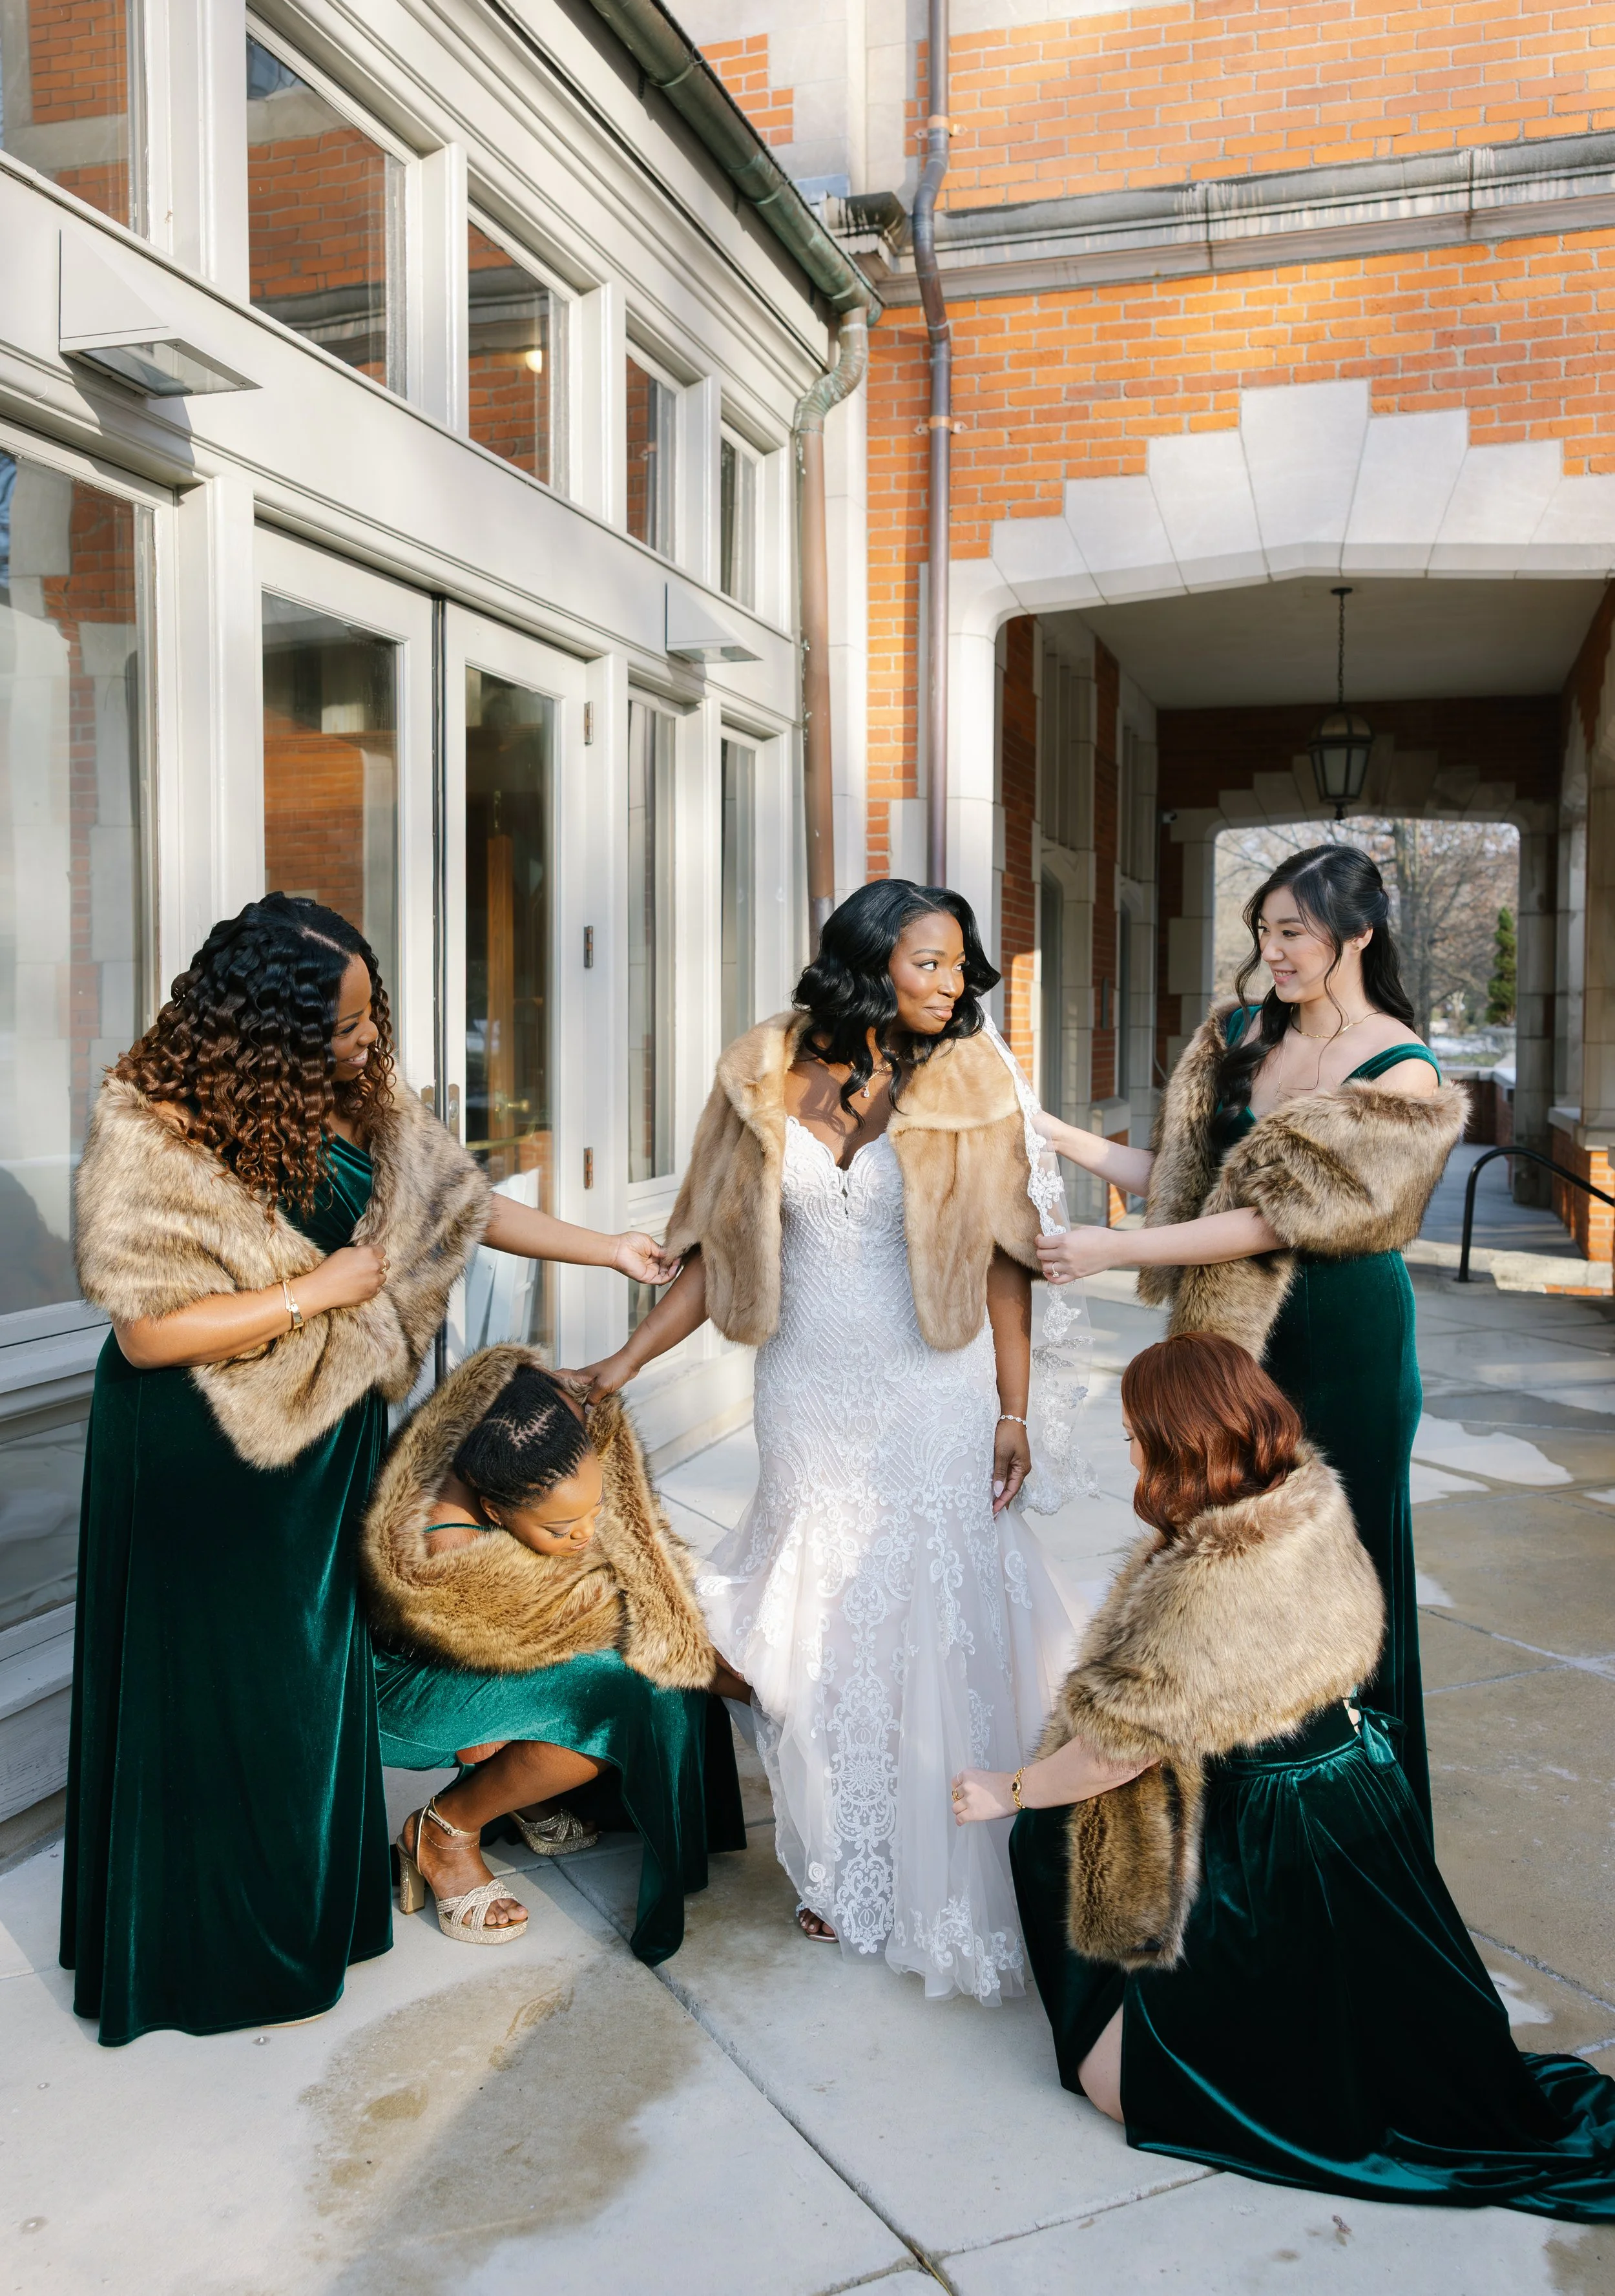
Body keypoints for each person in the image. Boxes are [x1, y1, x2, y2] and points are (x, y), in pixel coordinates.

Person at [63, 893, 673, 2045]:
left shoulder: (356, 1094)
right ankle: (207, 1946)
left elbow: (465, 1203)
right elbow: (148, 1333)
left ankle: (311, 1909)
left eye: (365, 1018)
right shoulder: (156, 1127)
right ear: (262, 1029)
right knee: (226, 1696)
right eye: (339, 1027)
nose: (362, 1043)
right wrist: (320, 1291)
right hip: (202, 1448)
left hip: (320, 1438)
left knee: (306, 1684)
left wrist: (610, 1247)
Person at [952, 1334, 1615, 2219]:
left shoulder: (1205, 1584)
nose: (1130, 1452)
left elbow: (1125, 1747)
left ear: (1182, 1445)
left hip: (1277, 1832)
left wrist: (1010, 1789)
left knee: (1117, 2078)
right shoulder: (1304, 1500)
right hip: (1357, 1793)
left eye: (1133, 1436)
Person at [579, 880, 1078, 2003]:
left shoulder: (971, 1078)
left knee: (927, 1619)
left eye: (959, 967)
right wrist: (621, 1363)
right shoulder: (756, 1075)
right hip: (808, 1386)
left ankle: (942, 1849)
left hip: (934, 1384)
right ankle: (846, 1852)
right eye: (929, 964)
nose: (953, 988)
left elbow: (1005, 1258)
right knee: (818, 1632)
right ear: (865, 960)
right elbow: (712, 1249)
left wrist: (1012, 1406)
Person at [1031, 844, 1466, 1826]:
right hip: (1232, 1347)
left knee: (1346, 1571)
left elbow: (1281, 1218)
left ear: (1357, 935)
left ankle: (1362, 1813)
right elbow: (1187, 1179)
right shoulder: (1236, 1034)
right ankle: (1227, 1792)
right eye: (1264, 931)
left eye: (1293, 933)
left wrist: (1107, 1253)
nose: (1272, 951)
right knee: (1214, 1560)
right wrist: (1054, 1132)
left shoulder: (1403, 1067)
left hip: (1345, 1342)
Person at [362, 1348, 746, 1958]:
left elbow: (632, 1561)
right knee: (619, 1689)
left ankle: (518, 1787)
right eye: (561, 1528)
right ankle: (445, 1830)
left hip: (492, 1655)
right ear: (494, 1510)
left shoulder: (528, 1427)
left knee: (658, 1641)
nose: (585, 1534)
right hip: (401, 1694)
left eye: (590, 1511)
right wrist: (743, 1682)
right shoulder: (444, 1549)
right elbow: (611, 1625)